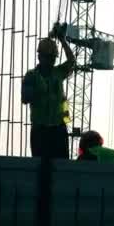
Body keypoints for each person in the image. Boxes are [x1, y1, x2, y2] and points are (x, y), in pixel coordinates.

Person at [21, 23, 75, 159]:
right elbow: (25, 99)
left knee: (62, 166)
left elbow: (71, 61)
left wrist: (62, 40)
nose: (51, 61)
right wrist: (39, 91)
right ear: (40, 57)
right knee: (40, 166)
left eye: (53, 58)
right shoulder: (31, 75)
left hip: (59, 128)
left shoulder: (58, 73)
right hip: (40, 129)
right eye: (48, 57)